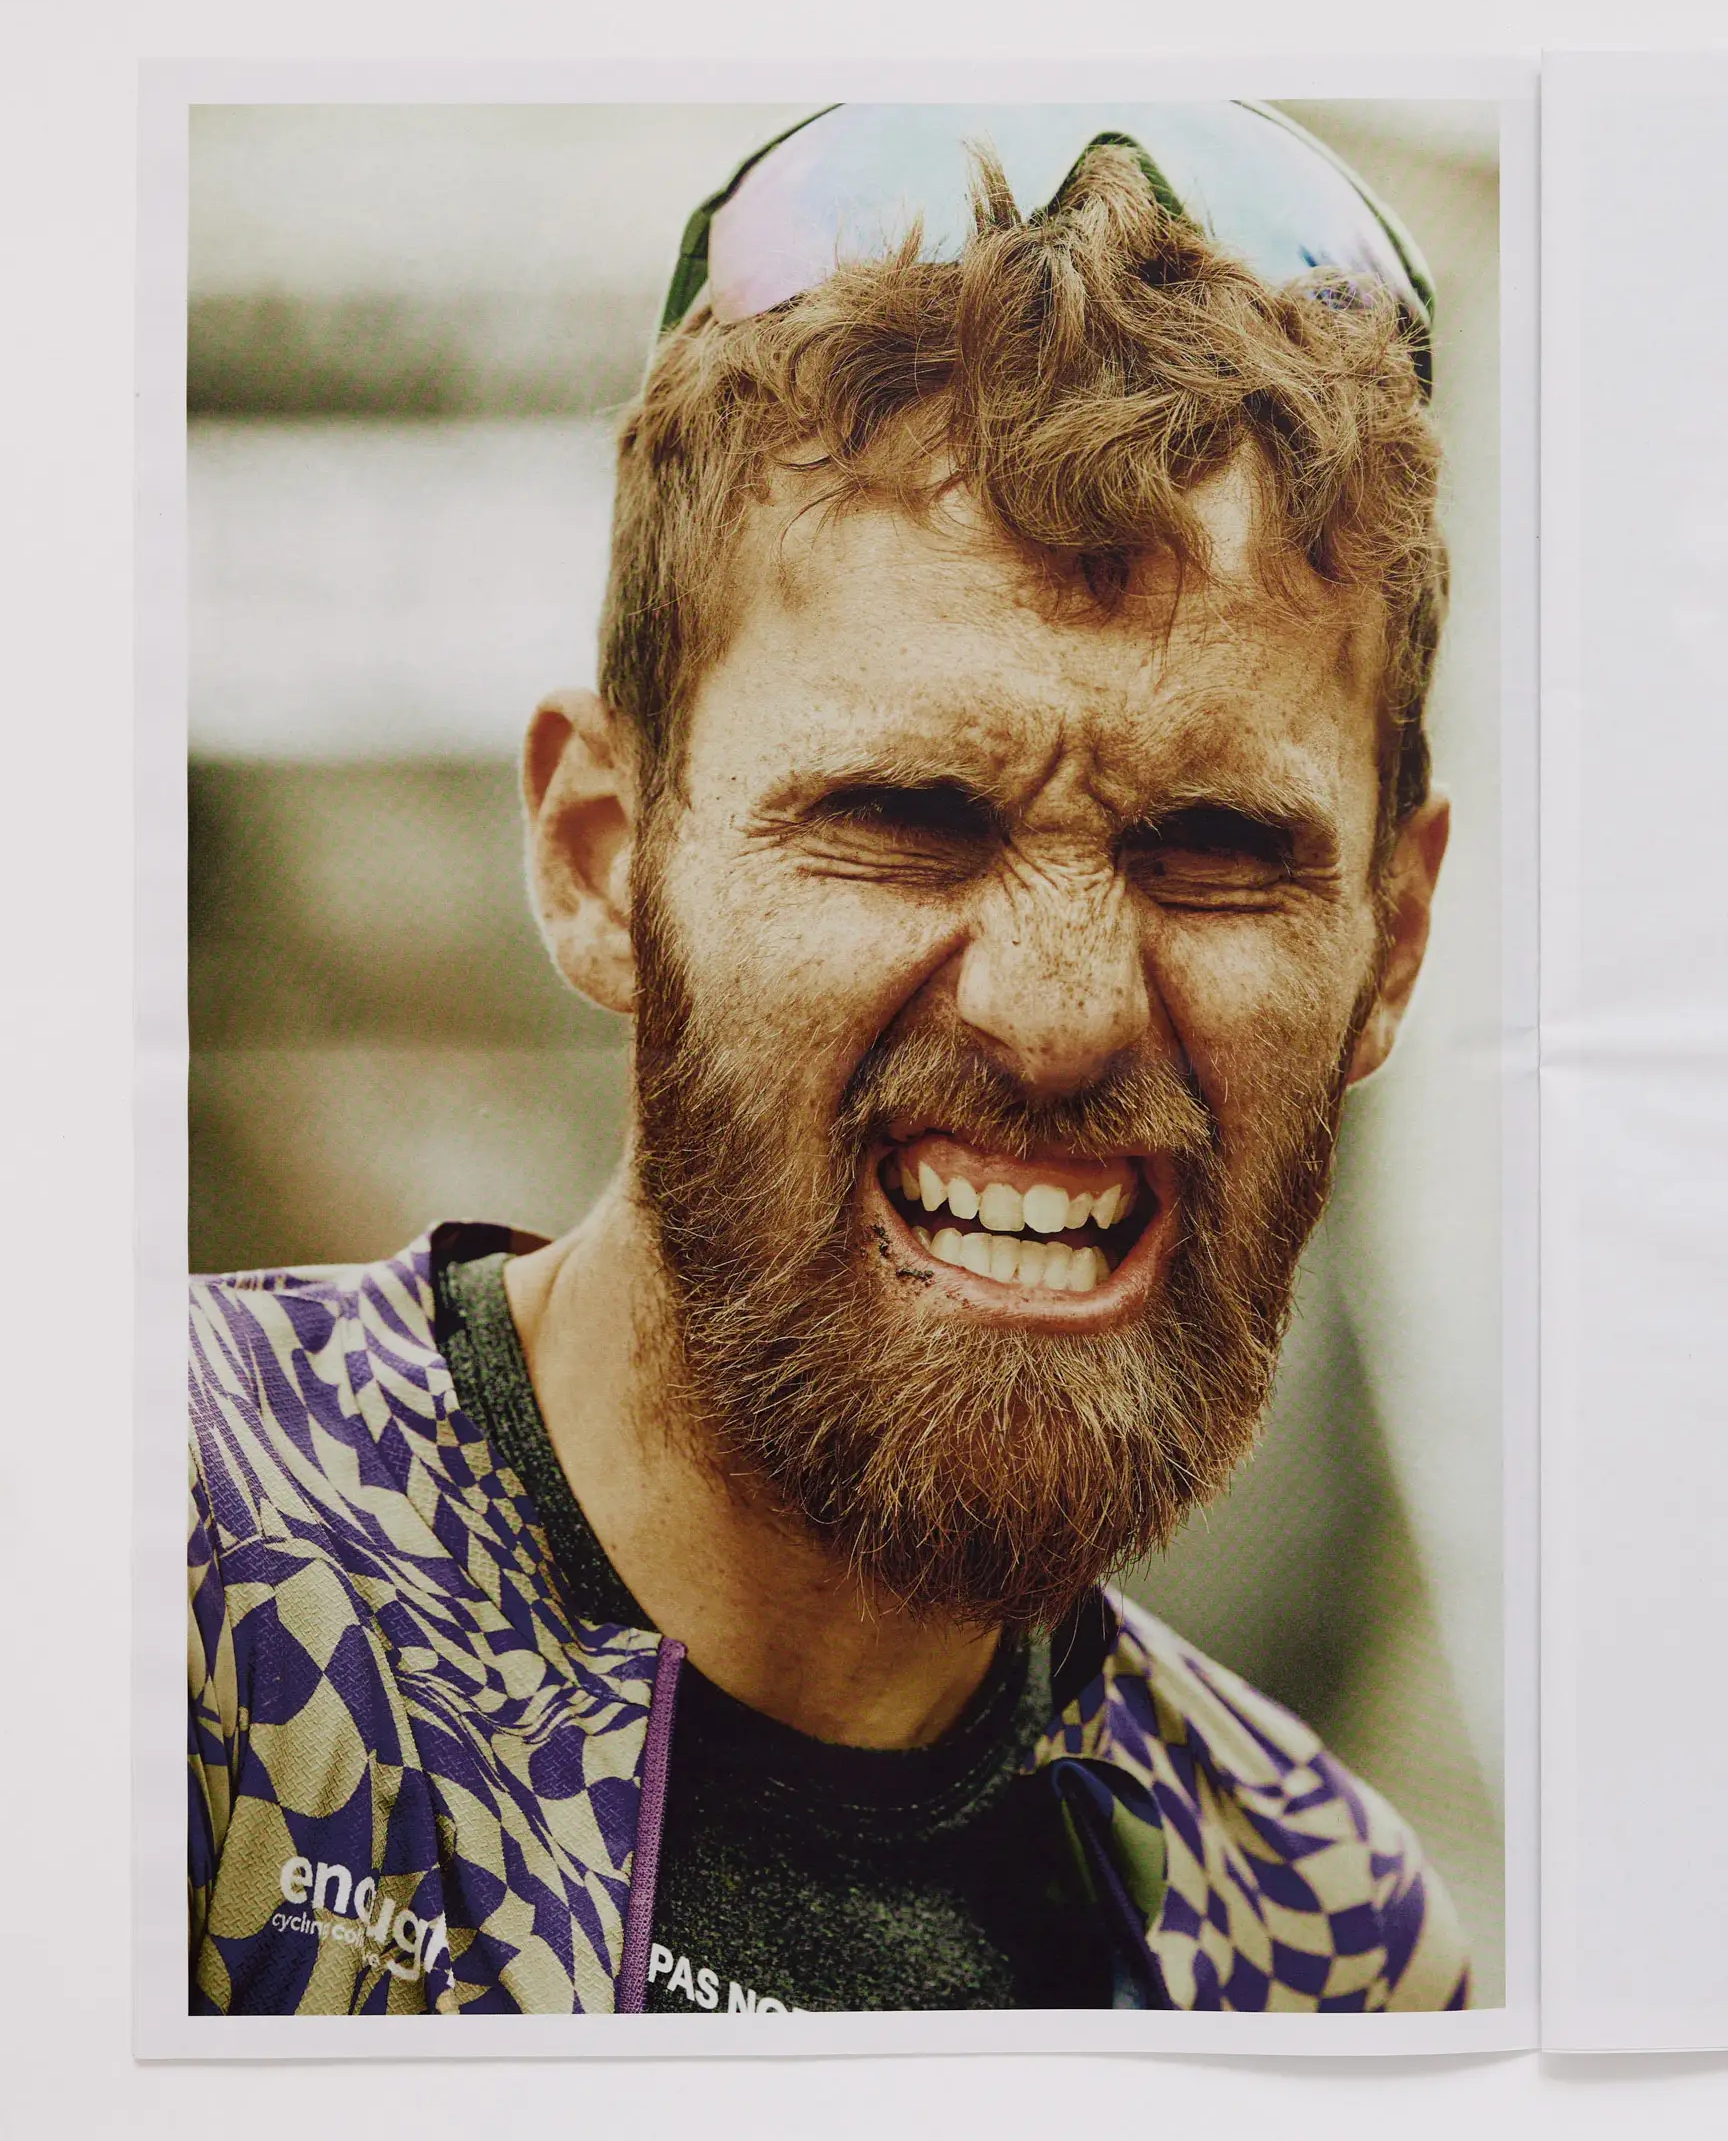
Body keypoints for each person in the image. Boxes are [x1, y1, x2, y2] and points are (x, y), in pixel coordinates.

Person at [188, 102, 1469, 2016]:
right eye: (907, 818)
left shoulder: (1316, 1953)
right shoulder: (157, 1579)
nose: (1059, 1011)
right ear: (601, 860)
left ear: (1392, 941)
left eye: (1211, 852)